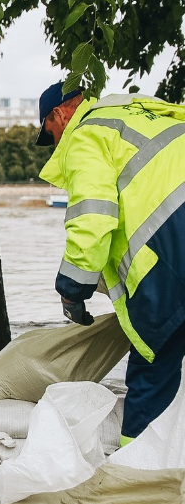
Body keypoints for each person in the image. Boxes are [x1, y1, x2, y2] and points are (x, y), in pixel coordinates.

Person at [36, 81, 185, 445]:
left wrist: (72, 291)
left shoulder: (88, 135)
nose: (54, 144)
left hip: (172, 258)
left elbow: (93, 219)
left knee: (153, 366)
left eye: (50, 134)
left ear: (59, 114)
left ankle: (133, 478)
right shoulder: (142, 113)